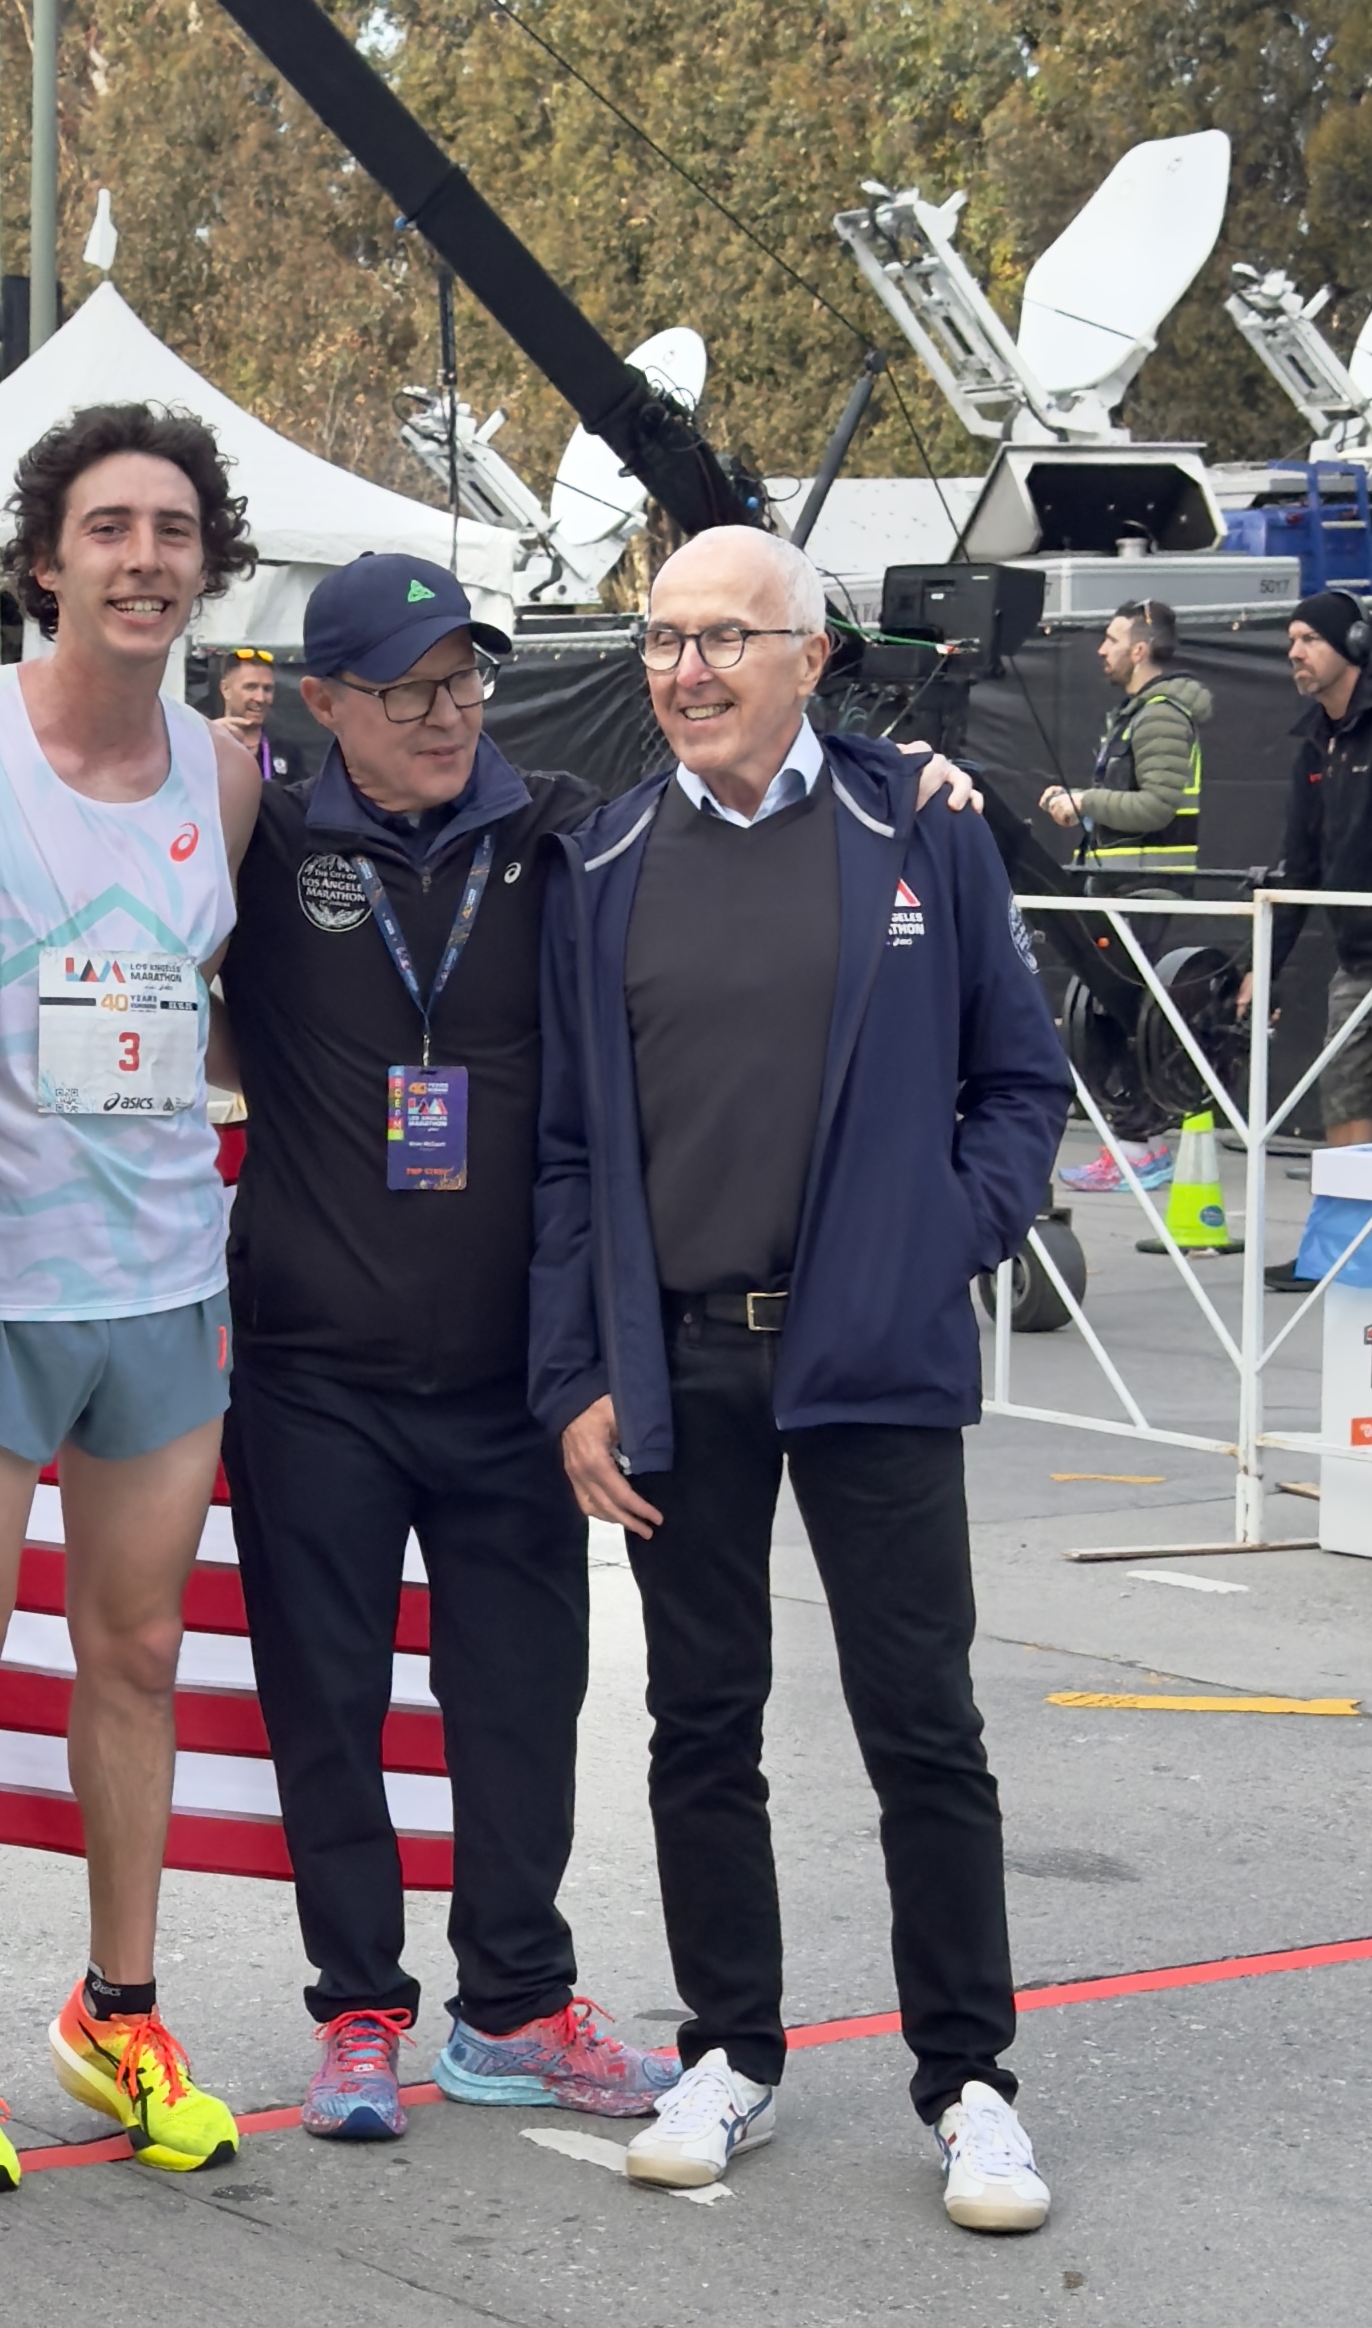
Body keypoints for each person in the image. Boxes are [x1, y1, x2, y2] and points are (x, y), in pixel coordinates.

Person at [529, 525, 1069, 2230]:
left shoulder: (919, 828)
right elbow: (564, 1152)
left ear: (810, 659)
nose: (685, 670)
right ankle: (730, 2052)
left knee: (922, 1723)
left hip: (871, 1352)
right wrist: (575, 1374)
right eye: (661, 639)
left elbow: (1019, 1083)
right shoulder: (603, 858)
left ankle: (969, 2083)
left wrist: (935, 1239)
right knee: (700, 1722)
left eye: (722, 638)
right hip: (679, 1358)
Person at [213, 552, 678, 2140]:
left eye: (463, 680)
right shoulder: (264, 838)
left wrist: (918, 781)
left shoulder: (559, 828)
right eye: (406, 689)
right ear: (322, 701)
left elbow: (741, 813)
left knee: (517, 1698)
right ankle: (355, 2008)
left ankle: (515, 2003)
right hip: (311, 1372)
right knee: (325, 1703)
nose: (445, 713)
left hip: (511, 1377)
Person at [0, 402, 262, 2191]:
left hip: (163, 1285)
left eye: (171, 530)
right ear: (45, 559)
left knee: (139, 1655)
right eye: (108, 527)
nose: (143, 558)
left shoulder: (224, 774)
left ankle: (117, 2009)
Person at [1046, 598, 1213, 1194]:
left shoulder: (1160, 716)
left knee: (1136, 1017)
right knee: (1117, 1016)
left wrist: (1086, 801)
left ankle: (1142, 1149)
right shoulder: (1137, 714)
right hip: (1123, 891)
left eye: (1112, 639)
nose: (1102, 649)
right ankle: (1130, 1146)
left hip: (1148, 892)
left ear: (1140, 649)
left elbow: (1158, 806)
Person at [1248, 590, 1372, 1290]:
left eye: (1308, 639)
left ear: (1352, 645)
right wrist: (1261, 969)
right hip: (1357, 960)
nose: (1294, 651)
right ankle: (1343, 1252)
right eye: (1290, 639)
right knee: (1346, 1098)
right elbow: (1297, 867)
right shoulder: (1313, 744)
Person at [208, 645, 305, 781]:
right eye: (250, 687)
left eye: (267, 689)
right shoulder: (204, 745)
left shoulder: (287, 752)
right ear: (225, 689)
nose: (260, 698)